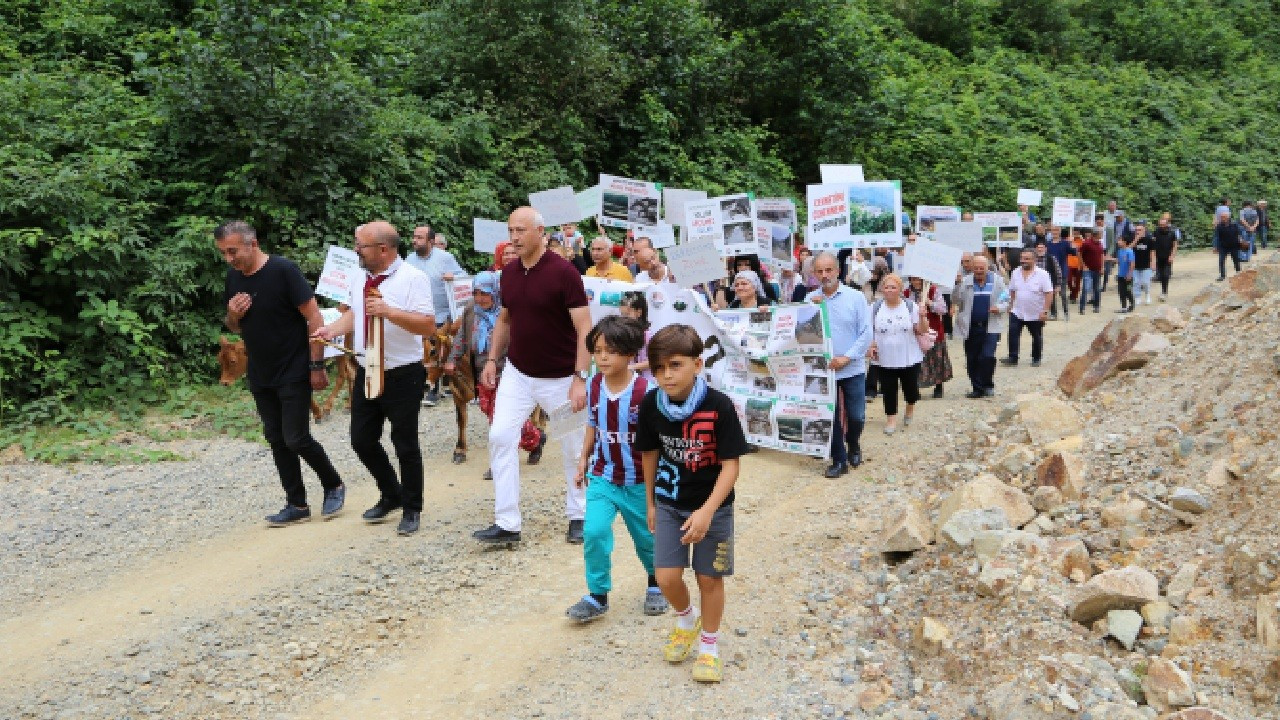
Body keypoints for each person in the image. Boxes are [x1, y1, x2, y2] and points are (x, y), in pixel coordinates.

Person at [636, 324, 748, 684]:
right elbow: (650, 453)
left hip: (713, 505)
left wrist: (707, 511)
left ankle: (709, 647)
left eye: (675, 365)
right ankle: (686, 620)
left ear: (697, 364)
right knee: (667, 577)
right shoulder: (652, 403)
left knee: (708, 577)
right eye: (659, 368)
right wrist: (651, 501)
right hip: (669, 501)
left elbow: (731, 464)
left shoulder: (719, 406)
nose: (666, 375)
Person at [474, 207, 593, 545]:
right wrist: (493, 359)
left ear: (541, 232)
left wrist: (580, 377)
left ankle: (579, 514)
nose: (514, 237)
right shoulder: (508, 274)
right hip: (518, 374)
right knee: (500, 436)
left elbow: (584, 326)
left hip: (561, 377)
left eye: (521, 230)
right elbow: (505, 320)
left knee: (572, 447)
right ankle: (507, 523)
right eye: (511, 230)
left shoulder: (564, 273)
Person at [216, 221, 346, 527]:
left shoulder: (283, 270)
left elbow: (314, 318)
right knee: (275, 437)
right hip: (260, 372)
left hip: (293, 366)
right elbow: (234, 327)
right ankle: (297, 504)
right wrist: (233, 315)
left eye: (232, 251)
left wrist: (317, 365)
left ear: (252, 243)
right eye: (223, 253)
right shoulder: (233, 278)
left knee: (296, 437)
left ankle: (334, 484)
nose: (229, 259)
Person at [314, 221, 435, 536]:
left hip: (402, 372)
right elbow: (356, 314)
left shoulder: (413, 278)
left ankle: (411, 508)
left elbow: (427, 326)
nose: (356, 250)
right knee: (361, 439)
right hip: (366, 367)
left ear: (384, 249)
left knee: (404, 442)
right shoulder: (359, 277)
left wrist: (389, 311)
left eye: (361, 245)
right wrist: (333, 329)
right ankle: (391, 493)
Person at [564, 316, 668, 624]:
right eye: (597, 351)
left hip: (638, 482)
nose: (603, 357)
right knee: (594, 532)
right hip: (603, 477)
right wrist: (583, 460)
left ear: (630, 352)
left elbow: (656, 444)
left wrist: (656, 488)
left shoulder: (646, 393)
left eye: (610, 350)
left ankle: (656, 583)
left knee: (647, 539)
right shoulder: (595, 386)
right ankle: (597, 595)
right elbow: (592, 425)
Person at [446, 272, 547, 476]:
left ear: (494, 292)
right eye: (476, 293)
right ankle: (535, 438)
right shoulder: (469, 310)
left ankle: (500, 462)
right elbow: (462, 337)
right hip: (482, 372)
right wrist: (452, 359)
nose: (480, 298)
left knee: (499, 418)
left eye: (485, 293)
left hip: (509, 371)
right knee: (490, 410)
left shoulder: (507, 312)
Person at [808, 252, 872, 476]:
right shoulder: (810, 300)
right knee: (830, 415)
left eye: (829, 270)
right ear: (814, 274)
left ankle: (853, 443)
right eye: (820, 271)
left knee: (857, 416)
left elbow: (866, 333)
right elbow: (799, 334)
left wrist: (847, 357)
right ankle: (839, 460)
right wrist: (811, 312)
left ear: (837, 271)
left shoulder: (855, 297)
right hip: (824, 371)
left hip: (851, 367)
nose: (825, 275)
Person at [406, 225, 467, 406]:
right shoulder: (409, 260)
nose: (414, 241)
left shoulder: (445, 258)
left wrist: (453, 276)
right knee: (421, 353)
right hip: (417, 314)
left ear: (431, 241)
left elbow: (463, 277)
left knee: (438, 352)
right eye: (414, 237)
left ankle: (435, 389)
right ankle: (420, 386)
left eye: (419, 237)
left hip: (441, 314)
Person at [867, 274, 928, 433]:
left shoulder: (911, 306)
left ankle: (910, 407)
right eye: (886, 287)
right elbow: (869, 331)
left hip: (909, 357)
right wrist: (871, 345)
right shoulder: (875, 307)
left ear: (900, 289)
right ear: (882, 288)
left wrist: (922, 317)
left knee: (911, 390)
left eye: (893, 287)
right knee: (888, 389)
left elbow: (922, 330)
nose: (889, 290)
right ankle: (891, 419)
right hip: (885, 357)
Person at [953, 255, 1009, 398]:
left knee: (987, 356)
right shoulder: (965, 281)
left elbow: (1006, 299)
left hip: (990, 326)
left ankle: (988, 384)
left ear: (987, 267)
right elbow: (956, 301)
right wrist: (957, 284)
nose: (978, 271)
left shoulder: (997, 281)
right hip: (971, 327)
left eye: (981, 268)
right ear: (972, 268)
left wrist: (999, 308)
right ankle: (977, 388)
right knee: (972, 358)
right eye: (976, 268)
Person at [1002, 248, 1054, 367]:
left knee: (1036, 336)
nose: (1023, 261)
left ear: (1034, 260)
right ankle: (1013, 357)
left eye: (1027, 259)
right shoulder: (1015, 272)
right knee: (1013, 333)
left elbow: (1049, 293)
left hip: (1035, 312)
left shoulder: (1043, 274)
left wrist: (1045, 311)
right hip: (1017, 310)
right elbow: (1012, 290)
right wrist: (1010, 305)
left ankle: (1036, 358)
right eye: (1022, 258)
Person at [904, 276, 951, 398]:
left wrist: (930, 303)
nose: (916, 282)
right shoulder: (906, 293)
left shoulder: (933, 290)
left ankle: (938, 386)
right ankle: (915, 387)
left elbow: (943, 309)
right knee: (917, 360)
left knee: (937, 358)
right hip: (916, 331)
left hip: (933, 330)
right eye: (913, 280)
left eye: (918, 280)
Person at [619, 291, 653, 383]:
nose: (624, 319)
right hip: (628, 382)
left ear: (639, 313)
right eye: (622, 315)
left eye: (627, 315)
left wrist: (632, 367)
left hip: (647, 382)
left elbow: (654, 360)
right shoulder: (622, 334)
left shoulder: (647, 335)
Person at [1151, 213, 1180, 300]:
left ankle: (1164, 292)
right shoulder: (1156, 232)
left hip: (1168, 256)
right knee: (1160, 275)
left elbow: (1175, 245)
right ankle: (1163, 290)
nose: (1162, 226)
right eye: (1160, 225)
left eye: (1163, 225)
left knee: (1166, 274)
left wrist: (1172, 255)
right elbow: (1153, 244)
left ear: (1167, 224)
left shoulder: (1172, 232)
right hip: (1159, 256)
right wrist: (1153, 257)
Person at [1077, 229, 1104, 313]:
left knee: (1097, 288)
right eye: (1100, 233)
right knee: (1086, 288)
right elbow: (1079, 253)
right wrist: (1083, 265)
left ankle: (1096, 306)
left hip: (1097, 269)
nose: (1101, 235)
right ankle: (1082, 308)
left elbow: (1102, 255)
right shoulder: (1087, 243)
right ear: (1096, 234)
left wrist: (1102, 267)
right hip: (1088, 269)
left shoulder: (1099, 243)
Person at [1213, 210, 1243, 281]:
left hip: (1234, 245)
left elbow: (1240, 232)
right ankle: (1222, 276)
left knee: (1236, 260)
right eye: (1221, 217)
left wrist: (1241, 239)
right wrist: (1215, 246)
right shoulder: (1219, 226)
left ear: (1228, 217)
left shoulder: (1234, 224)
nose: (1222, 219)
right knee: (1221, 261)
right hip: (1223, 246)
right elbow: (1216, 237)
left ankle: (1239, 273)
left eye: (1224, 217)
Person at [1130, 222, 1154, 305]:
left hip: (1146, 264)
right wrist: (1136, 239)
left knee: (1146, 282)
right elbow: (1129, 249)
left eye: (1140, 230)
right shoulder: (1132, 238)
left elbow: (1152, 251)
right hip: (1135, 264)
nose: (1138, 232)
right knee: (1136, 282)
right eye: (1136, 230)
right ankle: (1137, 297)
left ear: (1144, 230)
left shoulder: (1149, 239)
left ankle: (1147, 295)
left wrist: (1153, 262)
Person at [1115, 235, 1135, 313]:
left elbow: (1132, 264)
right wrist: (1110, 259)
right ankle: (1123, 307)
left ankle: (1132, 304)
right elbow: (1119, 261)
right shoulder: (1120, 251)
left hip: (1128, 276)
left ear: (1125, 242)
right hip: (1121, 275)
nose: (1118, 242)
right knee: (1121, 291)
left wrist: (1129, 274)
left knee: (1128, 291)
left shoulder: (1129, 251)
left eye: (1120, 240)